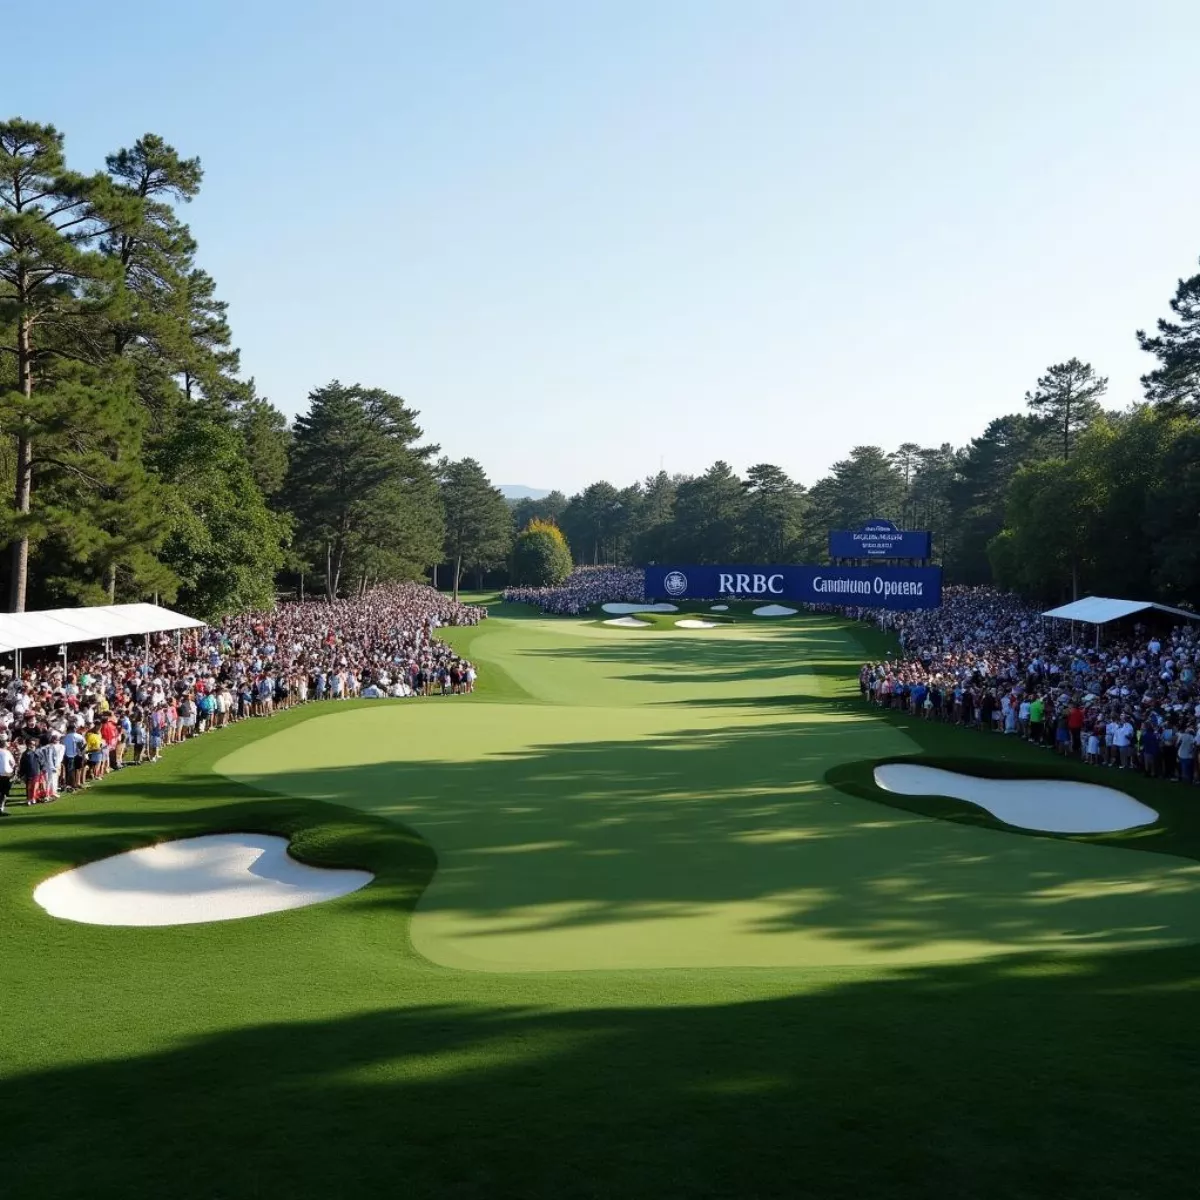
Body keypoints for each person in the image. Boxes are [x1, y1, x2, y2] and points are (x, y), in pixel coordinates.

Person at [0, 736, 14, 816]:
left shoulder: (7, 752)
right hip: (5, 775)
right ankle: (1, 808)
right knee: (3, 793)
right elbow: (12, 763)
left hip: (4, 774)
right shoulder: (7, 752)